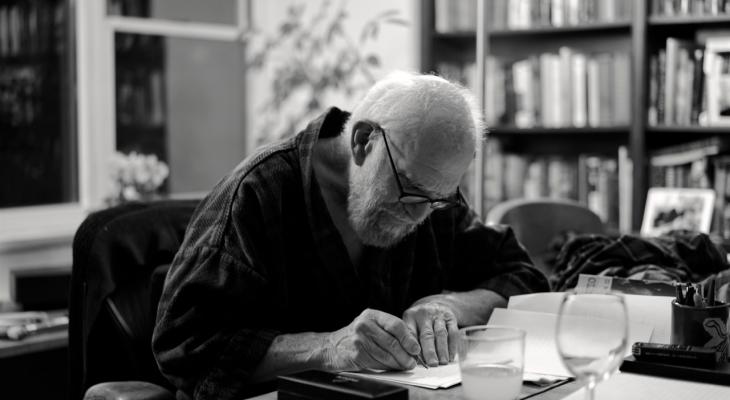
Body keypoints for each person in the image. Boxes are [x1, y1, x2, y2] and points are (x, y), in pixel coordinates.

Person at [152, 71, 549, 399]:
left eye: (438, 199)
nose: (419, 216)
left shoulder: (426, 188)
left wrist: (449, 305)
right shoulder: (257, 196)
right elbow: (185, 348)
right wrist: (329, 348)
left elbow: (522, 276)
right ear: (363, 141)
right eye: (410, 191)